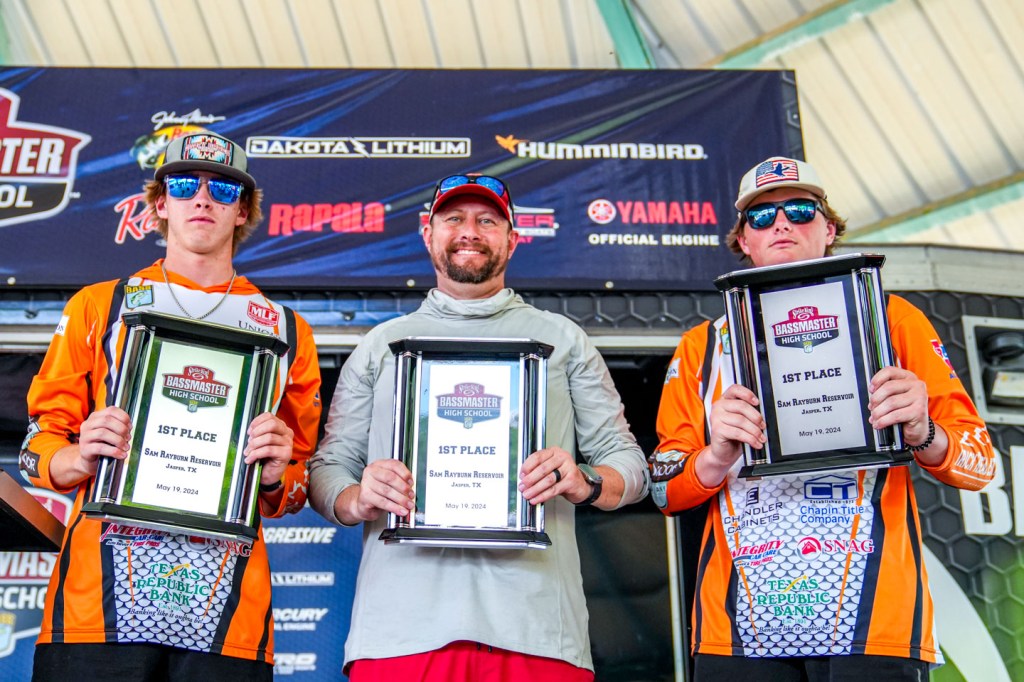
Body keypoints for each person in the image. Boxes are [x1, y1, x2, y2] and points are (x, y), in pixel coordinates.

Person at [650, 156, 995, 681]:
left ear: (829, 229)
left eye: (799, 210)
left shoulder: (893, 319)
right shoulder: (701, 346)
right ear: (743, 240)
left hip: (872, 619)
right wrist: (716, 455)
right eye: (760, 216)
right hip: (739, 626)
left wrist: (923, 431)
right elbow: (662, 491)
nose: (780, 223)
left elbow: (981, 465)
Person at [308, 173, 650, 681]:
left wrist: (585, 480)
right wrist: (357, 496)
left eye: (487, 220)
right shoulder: (381, 345)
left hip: (538, 630)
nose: (469, 231)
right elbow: (326, 469)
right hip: (400, 631)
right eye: (454, 218)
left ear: (513, 239)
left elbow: (631, 465)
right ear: (428, 234)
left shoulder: (564, 340)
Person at [19, 132, 322, 681]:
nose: (202, 198)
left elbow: (297, 484)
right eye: (184, 185)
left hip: (226, 618)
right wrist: (80, 455)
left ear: (242, 211)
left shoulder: (288, 332)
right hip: (96, 611)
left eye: (223, 189)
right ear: (160, 204)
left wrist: (278, 475)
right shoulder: (99, 306)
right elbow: (36, 447)